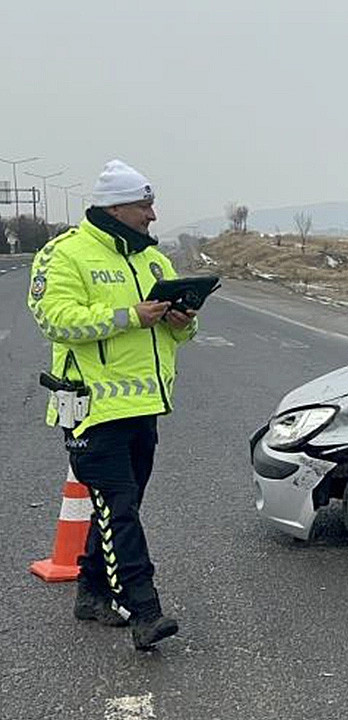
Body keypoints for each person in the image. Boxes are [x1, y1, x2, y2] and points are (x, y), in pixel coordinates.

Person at [27, 160, 197, 650]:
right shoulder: (64, 254)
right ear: (115, 208)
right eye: (144, 206)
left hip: (143, 406)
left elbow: (177, 336)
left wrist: (182, 320)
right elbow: (55, 320)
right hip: (90, 410)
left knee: (121, 507)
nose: (153, 215)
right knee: (119, 509)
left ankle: (91, 592)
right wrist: (129, 315)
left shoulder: (153, 261)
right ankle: (144, 611)